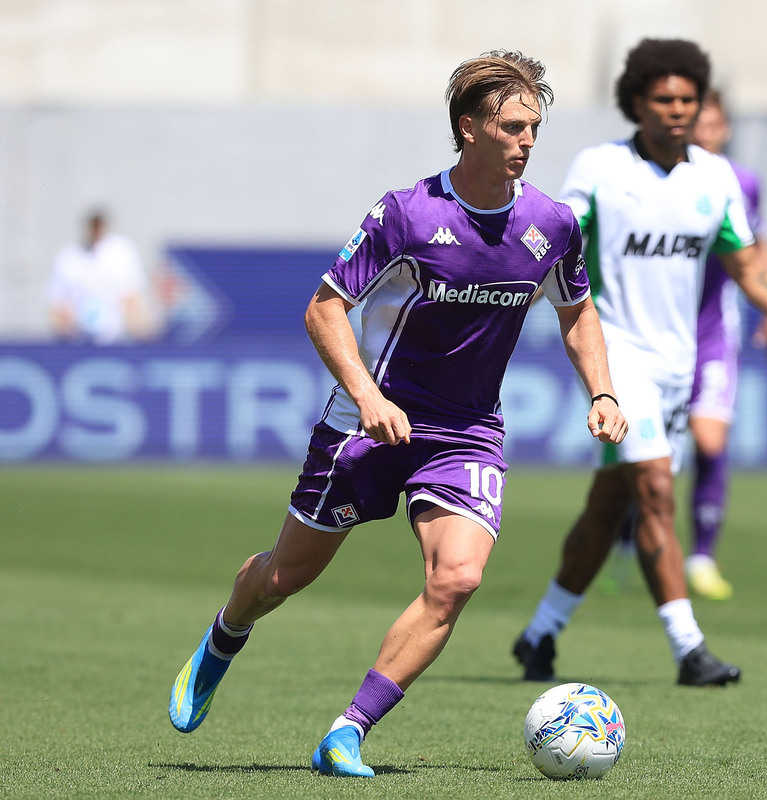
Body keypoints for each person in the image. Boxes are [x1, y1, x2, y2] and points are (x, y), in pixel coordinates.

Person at [167, 50, 627, 779]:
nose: (528, 141)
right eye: (512, 127)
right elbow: (325, 310)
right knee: (285, 577)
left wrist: (602, 392)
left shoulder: (553, 223)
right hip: (367, 425)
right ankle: (226, 633)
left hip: (467, 432)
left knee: (458, 579)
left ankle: (347, 732)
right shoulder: (406, 215)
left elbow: (578, 311)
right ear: (469, 128)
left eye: (535, 127)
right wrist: (369, 396)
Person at [513, 39, 767, 688]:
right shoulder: (601, 168)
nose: (678, 109)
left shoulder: (715, 178)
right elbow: (556, 245)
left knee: (610, 505)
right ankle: (689, 649)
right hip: (617, 356)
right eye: (663, 99)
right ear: (636, 103)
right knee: (655, 490)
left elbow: (750, 270)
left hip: (678, 364)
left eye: (688, 98)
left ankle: (539, 634)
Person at [683, 88, 767, 601]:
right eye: (697, 124)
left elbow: (757, 246)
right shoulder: (657, 179)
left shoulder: (740, 182)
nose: (705, 133)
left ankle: (702, 556)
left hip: (712, 332)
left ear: (725, 128)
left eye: (713, 124)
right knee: (645, 461)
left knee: (710, 442)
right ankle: (625, 539)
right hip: (650, 335)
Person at [48, 209, 152, 343]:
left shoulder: (122, 252)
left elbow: (133, 297)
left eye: (98, 226)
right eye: (93, 226)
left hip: (116, 337)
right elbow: (56, 301)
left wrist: (137, 331)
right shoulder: (69, 256)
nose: (96, 230)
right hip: (77, 338)